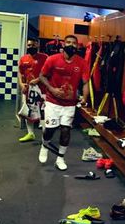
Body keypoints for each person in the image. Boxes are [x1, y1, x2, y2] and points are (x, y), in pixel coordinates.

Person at [38, 35, 89, 171]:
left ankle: (60, 158)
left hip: (69, 103)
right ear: (63, 44)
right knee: (50, 130)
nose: (71, 45)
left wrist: (84, 97)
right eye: (68, 42)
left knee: (66, 130)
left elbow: (85, 83)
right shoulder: (52, 59)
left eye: (74, 43)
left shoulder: (82, 62)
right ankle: (45, 145)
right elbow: (42, 76)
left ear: (77, 46)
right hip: (53, 101)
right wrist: (52, 89)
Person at [17, 37, 48, 142]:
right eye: (29, 45)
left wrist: (38, 80)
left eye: (33, 45)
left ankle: (45, 137)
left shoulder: (45, 58)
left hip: (42, 91)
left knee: (43, 113)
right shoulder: (23, 59)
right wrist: (21, 83)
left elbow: (49, 73)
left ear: (38, 45)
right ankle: (30, 134)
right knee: (28, 112)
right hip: (27, 90)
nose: (31, 47)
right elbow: (20, 73)